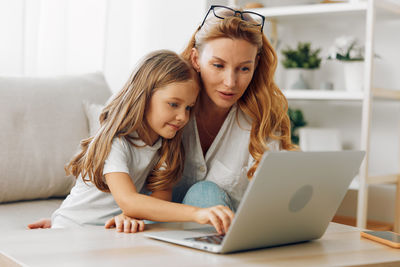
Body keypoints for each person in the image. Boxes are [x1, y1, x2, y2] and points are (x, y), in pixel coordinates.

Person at [105, 5, 296, 231]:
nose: (230, 82)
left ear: (255, 65)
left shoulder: (261, 120)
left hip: (223, 235)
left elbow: (275, 202)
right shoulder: (163, 111)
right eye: (218, 65)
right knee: (204, 193)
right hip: (159, 230)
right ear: (196, 59)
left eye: (244, 69)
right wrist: (130, 214)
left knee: (205, 193)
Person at [28, 50, 234, 234]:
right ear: (143, 98)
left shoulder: (166, 145)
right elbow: (128, 200)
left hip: (111, 232)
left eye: (188, 108)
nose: (183, 117)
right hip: (72, 229)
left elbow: (161, 197)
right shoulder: (116, 142)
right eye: (173, 104)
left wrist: (133, 216)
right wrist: (197, 214)